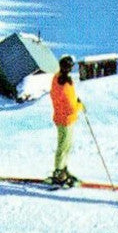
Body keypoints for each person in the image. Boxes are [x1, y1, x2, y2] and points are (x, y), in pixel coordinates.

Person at [48, 54, 83, 188]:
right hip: (67, 120)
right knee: (64, 146)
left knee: (64, 146)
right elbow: (72, 108)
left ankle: (62, 169)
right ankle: (59, 172)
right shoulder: (66, 85)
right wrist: (79, 105)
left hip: (59, 117)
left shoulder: (56, 78)